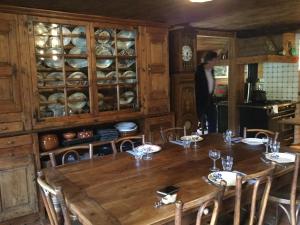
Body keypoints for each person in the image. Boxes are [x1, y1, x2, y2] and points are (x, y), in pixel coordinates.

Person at [195, 51, 218, 133]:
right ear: (209, 60)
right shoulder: (198, 71)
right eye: (215, 60)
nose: (216, 62)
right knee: (196, 122)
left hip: (209, 99)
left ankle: (212, 140)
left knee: (213, 120)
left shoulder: (212, 71)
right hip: (200, 100)